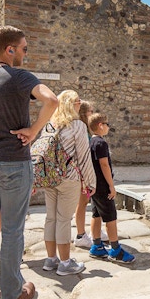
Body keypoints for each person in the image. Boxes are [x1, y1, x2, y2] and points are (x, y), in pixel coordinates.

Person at [0, 25, 58, 299]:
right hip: (15, 163)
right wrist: (34, 130)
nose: (25, 54)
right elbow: (51, 100)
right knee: (13, 230)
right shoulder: (19, 77)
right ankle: (12, 292)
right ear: (10, 49)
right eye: (24, 49)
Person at [41, 90, 97, 276]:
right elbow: (83, 157)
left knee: (51, 218)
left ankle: (50, 259)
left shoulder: (50, 124)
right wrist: (90, 182)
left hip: (50, 178)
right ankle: (65, 263)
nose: (79, 105)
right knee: (64, 219)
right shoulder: (77, 126)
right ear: (70, 104)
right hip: (69, 178)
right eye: (77, 102)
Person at [87, 113, 135, 263]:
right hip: (103, 186)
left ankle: (96, 246)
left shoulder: (91, 142)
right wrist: (111, 186)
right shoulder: (101, 143)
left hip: (94, 185)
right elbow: (104, 164)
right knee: (111, 217)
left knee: (96, 214)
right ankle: (115, 250)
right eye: (107, 124)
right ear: (101, 125)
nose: (108, 127)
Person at [73, 100, 108, 248]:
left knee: (94, 202)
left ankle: (96, 231)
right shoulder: (80, 129)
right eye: (90, 111)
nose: (92, 114)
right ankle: (80, 235)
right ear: (84, 113)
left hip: (89, 170)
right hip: (82, 171)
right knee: (82, 202)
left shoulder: (88, 130)